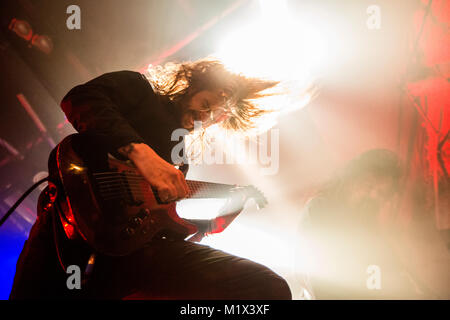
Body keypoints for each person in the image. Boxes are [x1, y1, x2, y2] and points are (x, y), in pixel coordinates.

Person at [9, 58, 292, 299]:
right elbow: (80, 99)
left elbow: (160, 219)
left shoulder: (181, 158)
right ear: (194, 84)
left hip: (124, 257)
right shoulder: (139, 90)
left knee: (266, 288)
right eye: (205, 103)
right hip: (64, 230)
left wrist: (208, 223)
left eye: (213, 116)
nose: (204, 117)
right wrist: (141, 153)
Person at [294, 149, 423, 299]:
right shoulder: (320, 208)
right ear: (351, 180)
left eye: (381, 193)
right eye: (369, 185)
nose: (374, 195)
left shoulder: (369, 227)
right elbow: (311, 274)